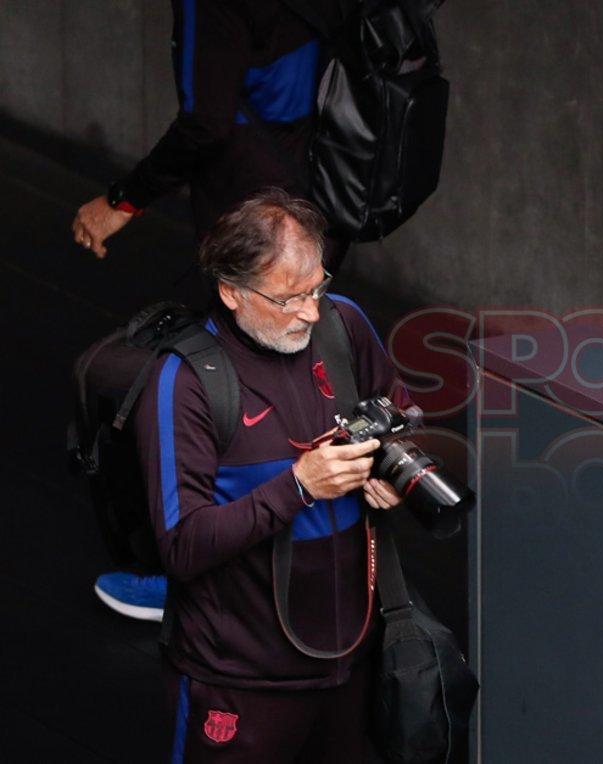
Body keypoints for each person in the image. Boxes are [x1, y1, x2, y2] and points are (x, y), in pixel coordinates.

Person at [76, 0, 353, 620]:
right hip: (328, 187)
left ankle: (203, 582)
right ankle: (300, 567)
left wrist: (122, 202)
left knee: (226, 391)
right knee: (300, 379)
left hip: (256, 213)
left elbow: (206, 120)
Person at [135, 190, 403, 760]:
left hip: (349, 658)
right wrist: (299, 485)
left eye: (317, 286)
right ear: (232, 292)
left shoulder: (342, 325)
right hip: (240, 680)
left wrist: (391, 469)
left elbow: (403, 413)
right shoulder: (185, 383)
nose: (310, 310)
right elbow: (181, 547)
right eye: (289, 298)